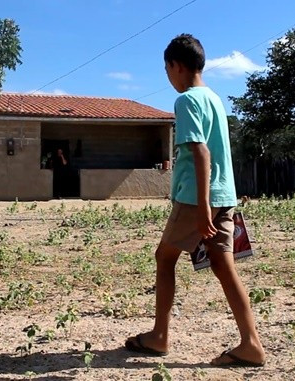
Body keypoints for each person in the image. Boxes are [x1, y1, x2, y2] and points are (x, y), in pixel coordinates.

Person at [124, 34, 265, 367]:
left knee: (164, 257)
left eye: (167, 69)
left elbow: (200, 152)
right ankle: (251, 344)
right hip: (225, 195)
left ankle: (159, 336)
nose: (168, 77)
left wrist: (202, 209)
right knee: (222, 265)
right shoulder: (215, 99)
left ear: (176, 66)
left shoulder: (187, 101)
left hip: (195, 200)